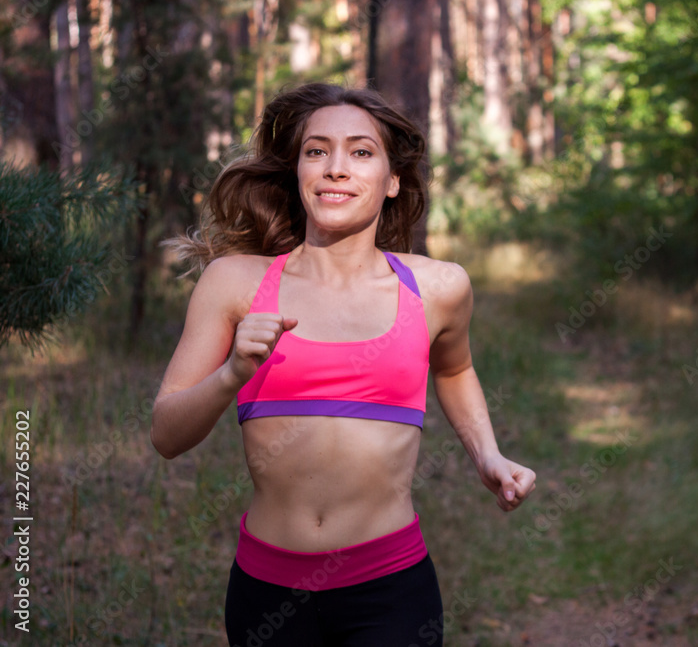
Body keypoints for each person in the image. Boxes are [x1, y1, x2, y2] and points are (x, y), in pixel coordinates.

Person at [151, 82, 537, 646]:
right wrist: (232, 372)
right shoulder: (235, 284)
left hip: (390, 589)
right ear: (298, 173)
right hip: (267, 590)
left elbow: (453, 370)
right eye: (316, 151)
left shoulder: (437, 288)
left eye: (360, 152)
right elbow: (165, 434)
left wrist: (487, 455)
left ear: (393, 180)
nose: (336, 167)